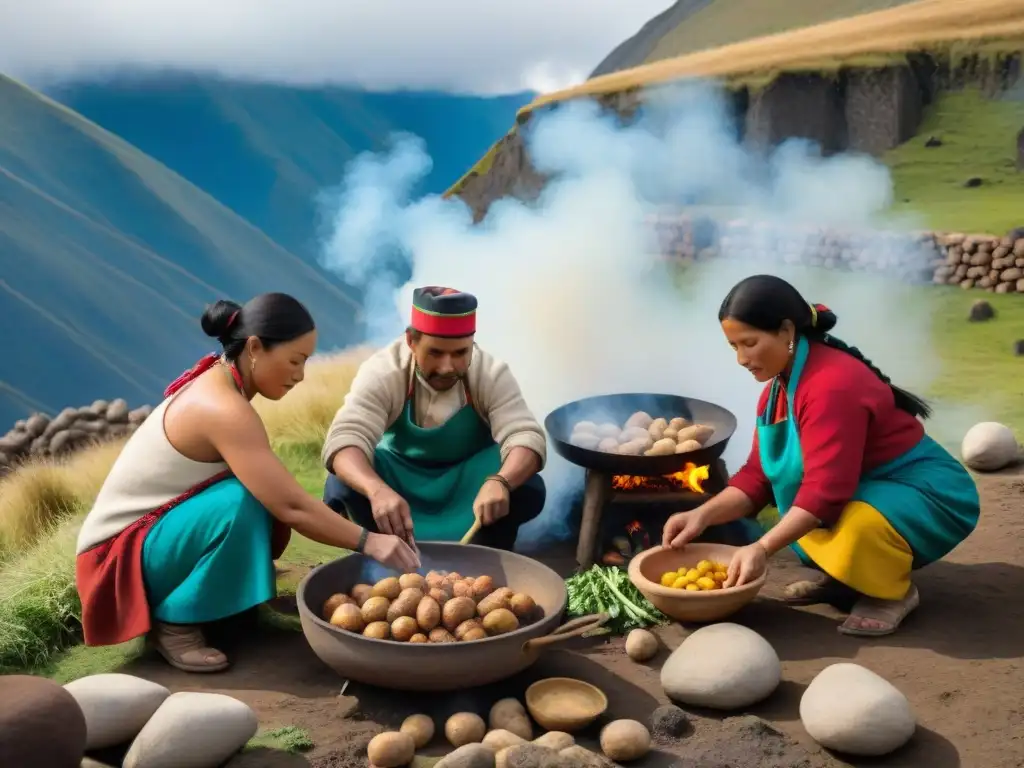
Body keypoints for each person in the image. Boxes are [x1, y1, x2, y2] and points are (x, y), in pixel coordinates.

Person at [76, 293, 419, 673]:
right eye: (294, 360)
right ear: (254, 347)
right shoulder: (223, 408)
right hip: (117, 560)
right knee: (244, 500)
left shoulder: (222, 384)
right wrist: (369, 541)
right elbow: (290, 506)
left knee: (254, 495)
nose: (300, 375)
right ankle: (175, 626)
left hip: (153, 539)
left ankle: (228, 607)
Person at [663, 275, 980, 637]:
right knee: (791, 507)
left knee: (853, 524)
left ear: (786, 330)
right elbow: (759, 475)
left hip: (924, 492)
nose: (741, 359)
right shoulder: (776, 393)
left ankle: (892, 594)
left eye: (749, 343)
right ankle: (848, 581)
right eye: (733, 346)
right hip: (864, 487)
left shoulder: (831, 385)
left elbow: (826, 491)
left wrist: (761, 549)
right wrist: (700, 515)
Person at [322, 286, 547, 549]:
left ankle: (486, 556)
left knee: (528, 486)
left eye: (461, 353)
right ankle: (381, 552)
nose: (447, 367)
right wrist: (376, 489)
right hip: (398, 478)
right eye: (436, 353)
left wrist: (500, 481)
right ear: (411, 341)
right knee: (342, 483)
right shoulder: (384, 371)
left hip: (469, 481)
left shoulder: (490, 372)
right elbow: (346, 437)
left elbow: (525, 435)